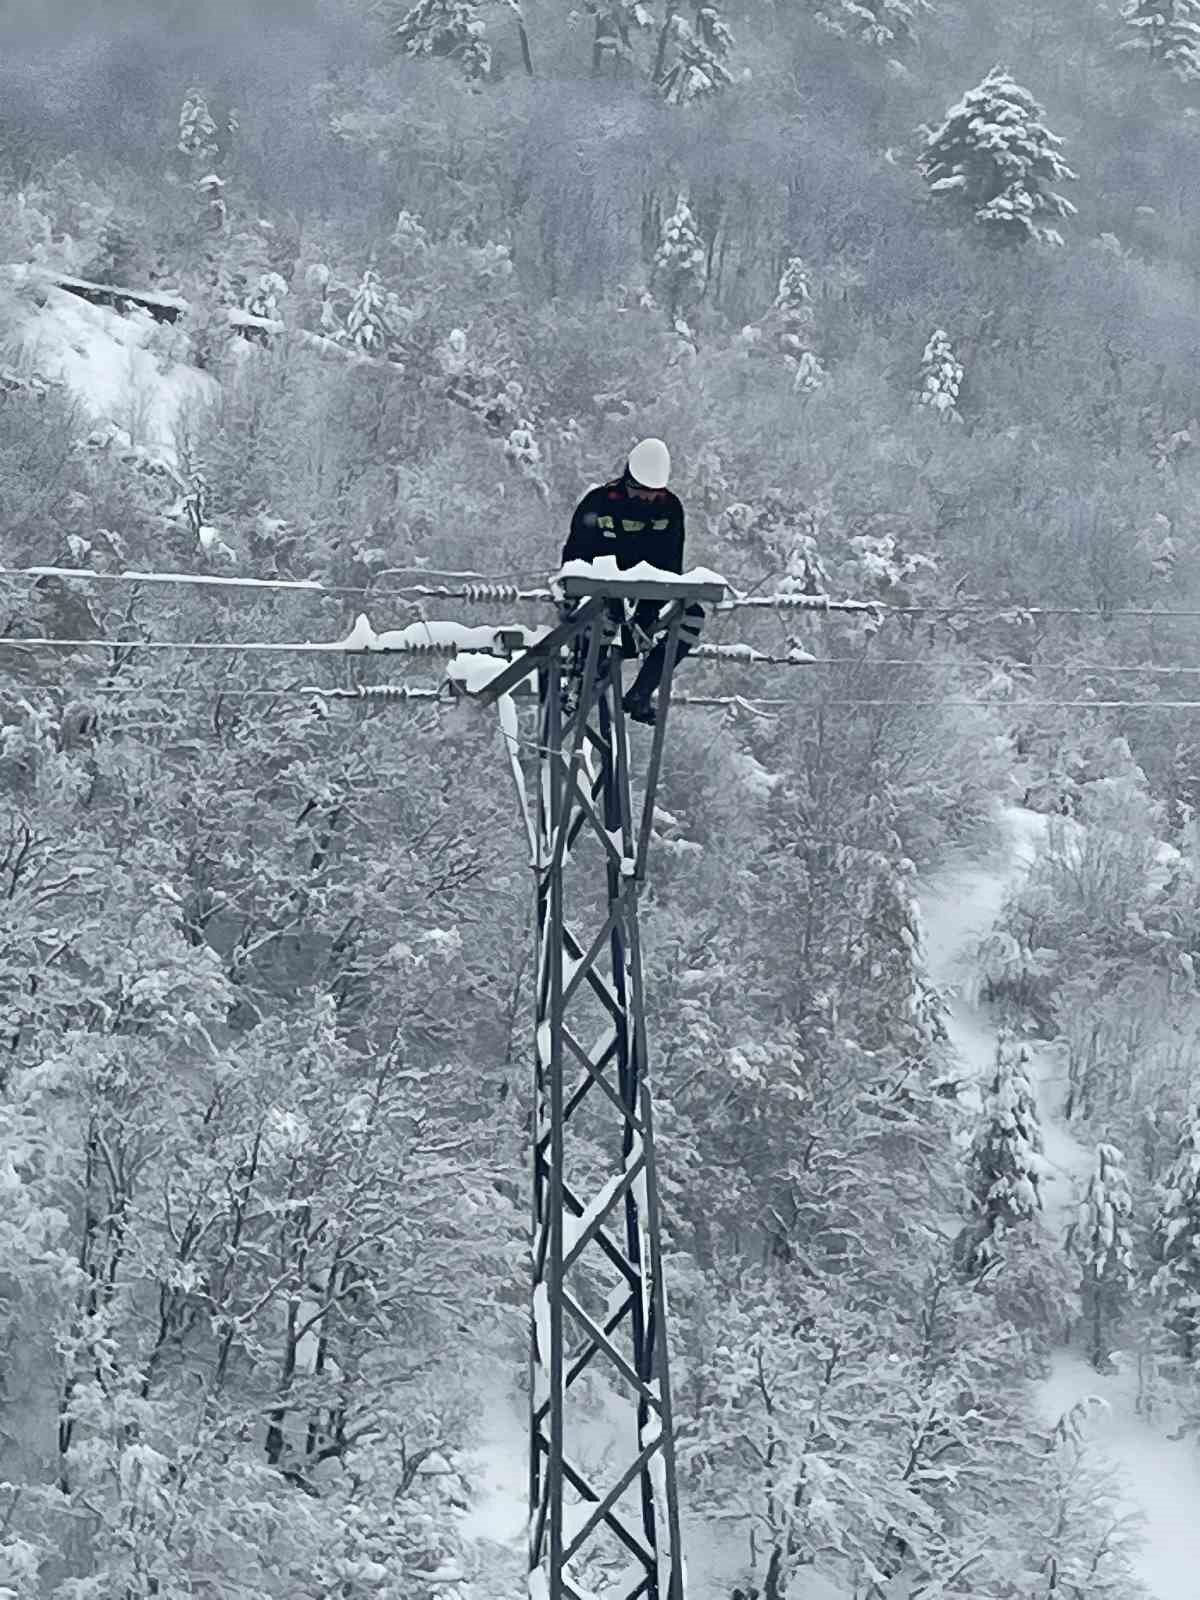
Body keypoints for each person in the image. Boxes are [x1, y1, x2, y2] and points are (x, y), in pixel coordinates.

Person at [560, 437, 705, 725]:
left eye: (655, 493)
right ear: (628, 481)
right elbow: (575, 561)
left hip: (646, 602)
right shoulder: (599, 504)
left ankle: (642, 691)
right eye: (641, 492)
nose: (648, 499)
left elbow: (670, 567)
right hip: (598, 601)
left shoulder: (670, 509)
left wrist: (649, 609)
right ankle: (586, 676)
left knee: (691, 617)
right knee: (599, 617)